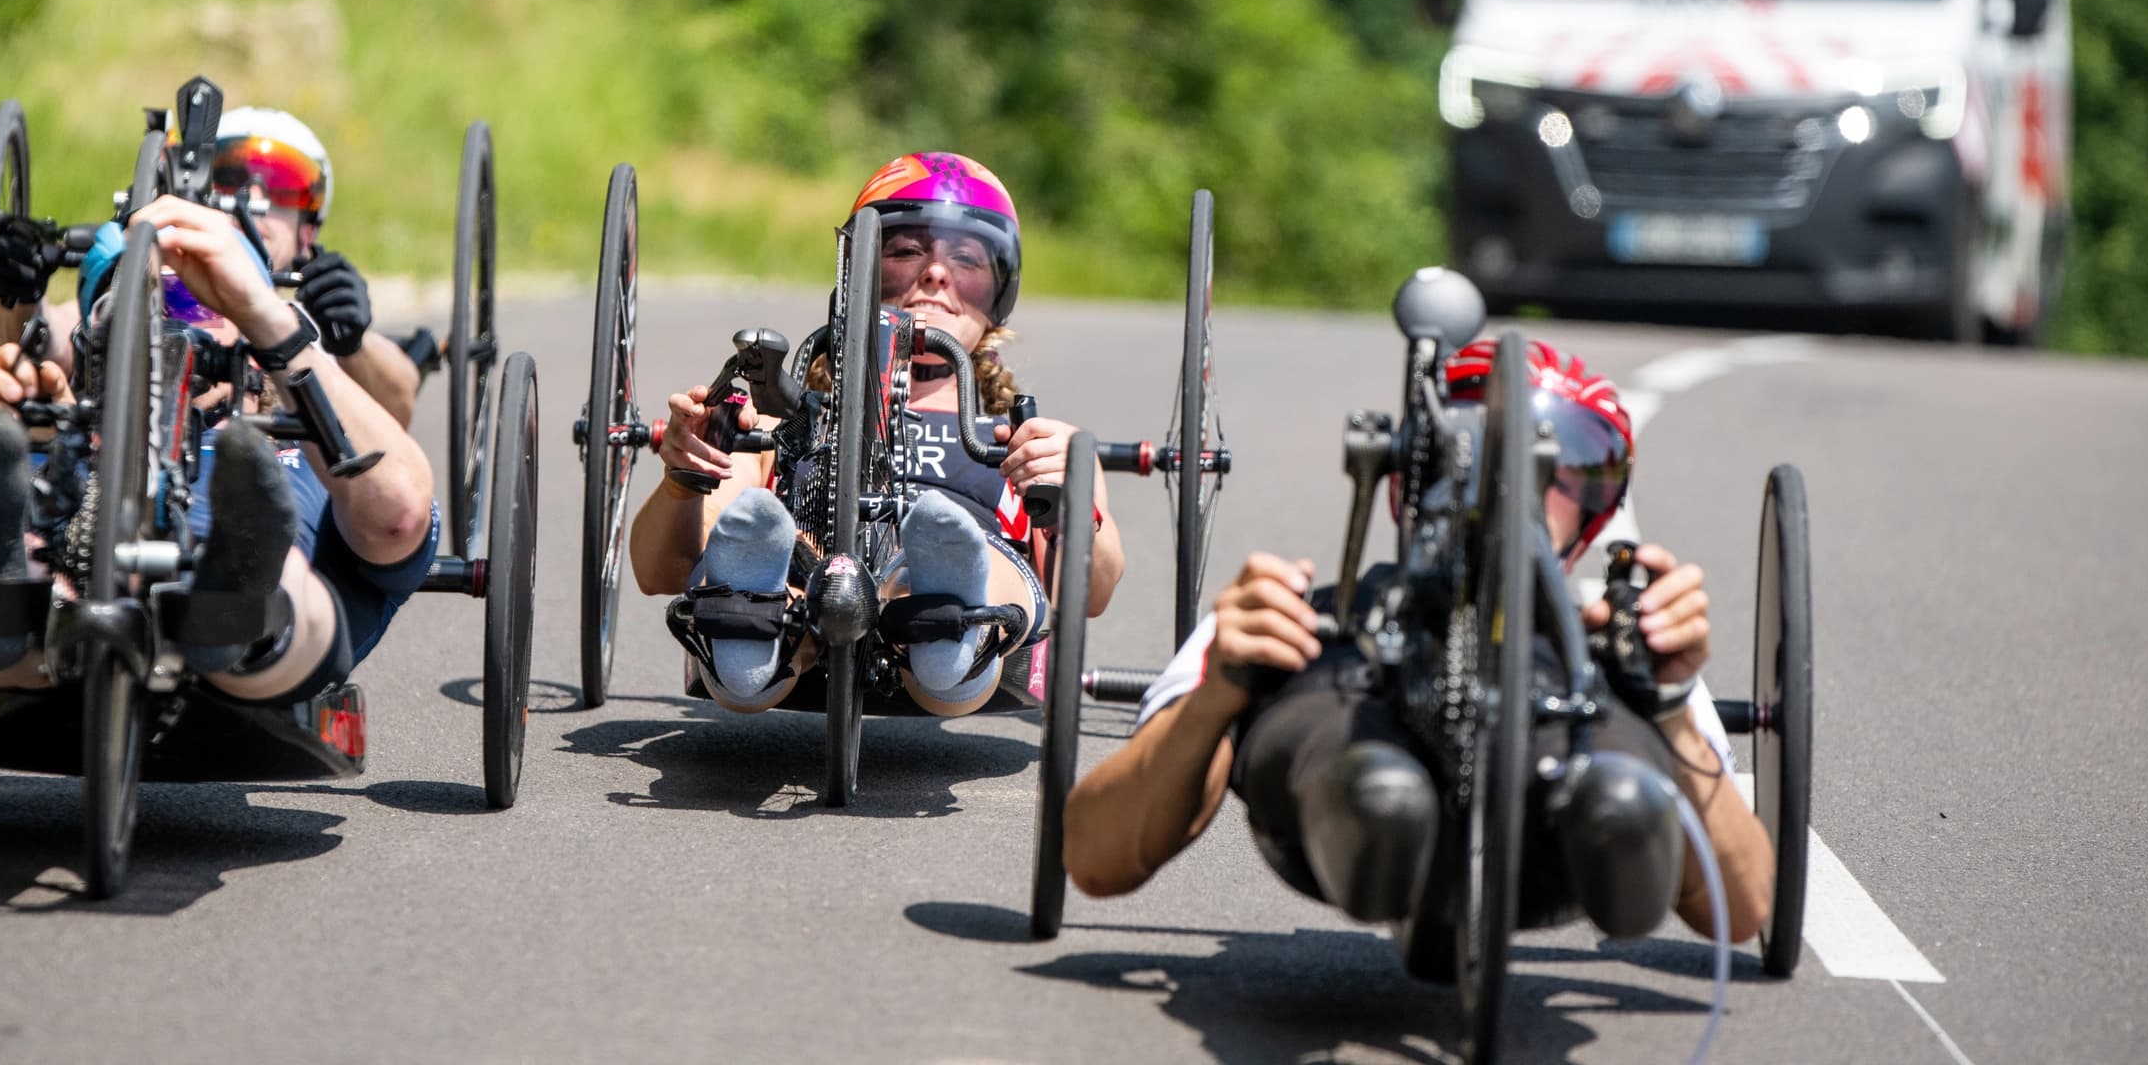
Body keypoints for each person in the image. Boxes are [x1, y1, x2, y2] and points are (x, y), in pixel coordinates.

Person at [1063, 337, 1774, 951]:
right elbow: (1094, 858)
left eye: (1570, 464)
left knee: (1621, 792)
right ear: (1408, 476)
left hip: (1560, 855)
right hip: (1330, 801)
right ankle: (1372, 803)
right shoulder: (1281, 616)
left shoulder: (1635, 644)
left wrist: (1671, 701)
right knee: (1374, 783)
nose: (1509, 483)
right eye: (1475, 443)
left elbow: (1744, 910)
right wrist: (1220, 688)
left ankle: (1611, 817)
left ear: (1596, 511)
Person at [0, 192, 438, 704]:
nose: (169, 325)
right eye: (141, 307)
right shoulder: (61, 423)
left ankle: (226, 602)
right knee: (34, 546)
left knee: (278, 561)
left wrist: (267, 317)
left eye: (198, 303)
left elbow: (402, 512)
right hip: (69, 626)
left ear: (245, 320)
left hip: (270, 634)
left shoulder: (308, 434)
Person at [628, 153, 1127, 716]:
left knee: (971, 559)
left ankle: (945, 618)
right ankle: (750, 621)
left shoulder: (1027, 438)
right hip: (810, 571)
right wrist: (684, 475)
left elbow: (1094, 590)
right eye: (906, 250)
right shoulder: (776, 421)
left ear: (997, 297)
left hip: (981, 577)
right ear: (860, 278)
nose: (936, 272)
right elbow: (656, 571)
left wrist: (1071, 500)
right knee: (761, 533)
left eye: (965, 259)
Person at [0, 106, 422, 430]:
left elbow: (396, 406)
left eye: (278, 184)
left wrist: (355, 344)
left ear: (308, 232)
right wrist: (20, 292)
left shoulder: (308, 322)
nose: (246, 200)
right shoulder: (156, 282)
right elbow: (44, 339)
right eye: (225, 178)